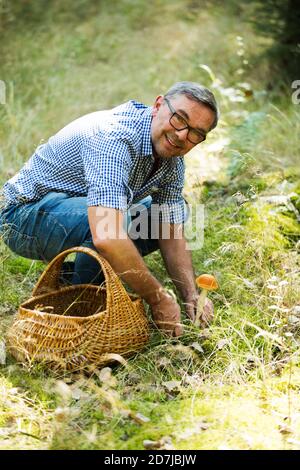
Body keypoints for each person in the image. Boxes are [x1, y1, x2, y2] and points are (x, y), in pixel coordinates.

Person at [0, 81, 219, 337]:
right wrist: (158, 298)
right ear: (158, 105)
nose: (182, 135)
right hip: (22, 216)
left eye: (196, 133)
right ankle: (82, 308)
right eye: (179, 118)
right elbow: (107, 234)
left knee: (174, 212)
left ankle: (75, 277)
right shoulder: (114, 136)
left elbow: (169, 227)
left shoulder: (172, 160)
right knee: (113, 226)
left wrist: (190, 293)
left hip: (75, 212)